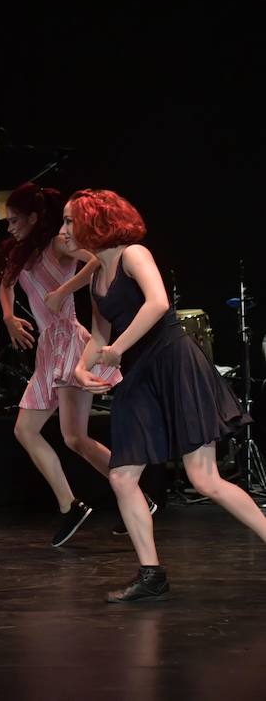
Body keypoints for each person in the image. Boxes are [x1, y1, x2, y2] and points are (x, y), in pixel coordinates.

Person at [66, 190, 264, 602]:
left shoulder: (133, 254)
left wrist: (117, 350)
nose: (64, 230)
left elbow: (157, 304)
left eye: (70, 221)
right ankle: (151, 573)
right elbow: (99, 334)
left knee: (204, 478)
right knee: (121, 476)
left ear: (94, 222)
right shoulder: (96, 278)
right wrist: (83, 369)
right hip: (139, 373)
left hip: (173, 363)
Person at [0, 184, 120, 547]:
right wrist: (8, 318)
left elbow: (99, 259)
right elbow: (5, 285)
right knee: (71, 437)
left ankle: (78, 504)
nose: (9, 227)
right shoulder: (22, 253)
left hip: (67, 340)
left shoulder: (58, 243)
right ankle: (127, 498)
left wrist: (65, 290)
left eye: (14, 220)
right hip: (50, 346)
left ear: (34, 218)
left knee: (52, 433)